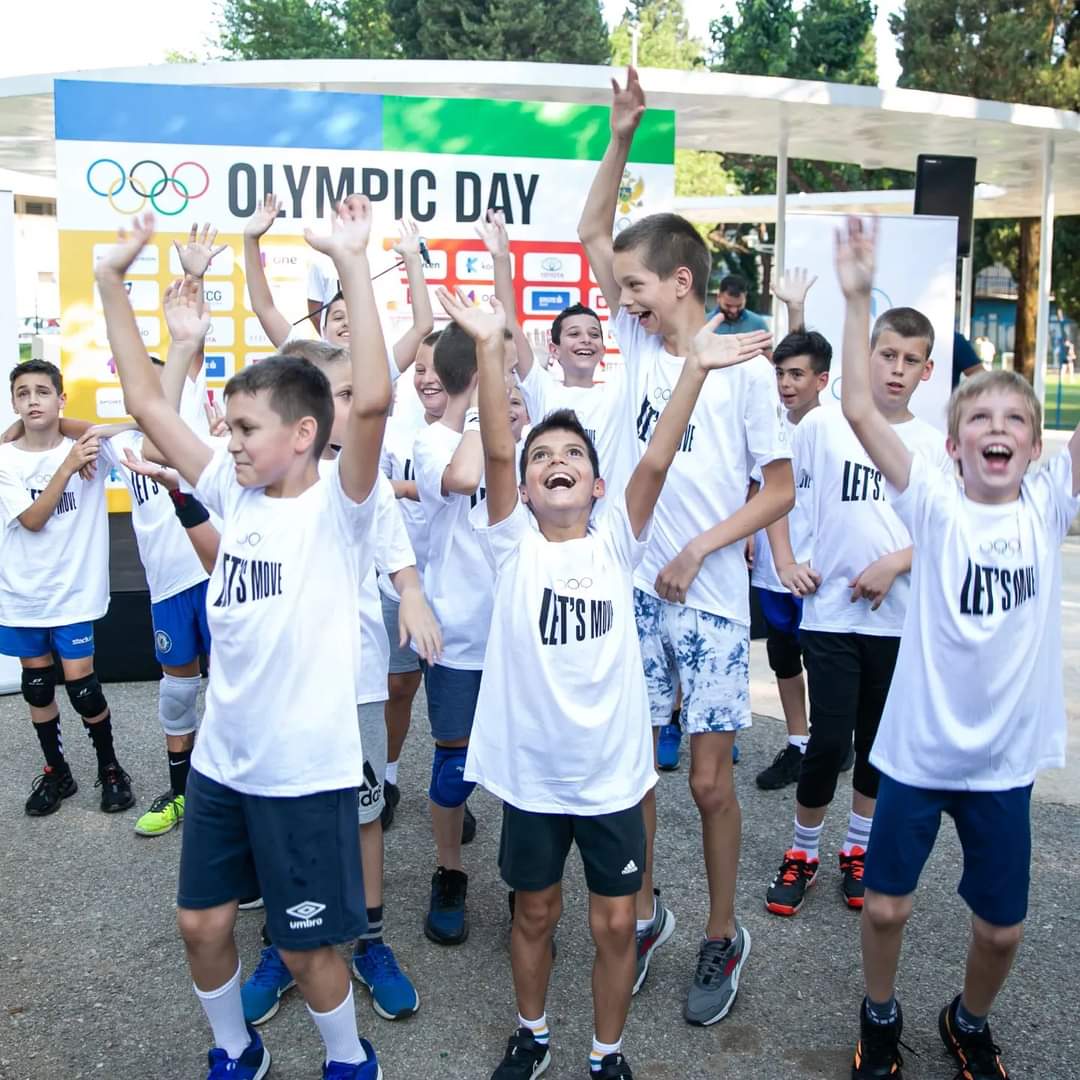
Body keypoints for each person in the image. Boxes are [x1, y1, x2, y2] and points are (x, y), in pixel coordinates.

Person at [440, 280, 772, 1080]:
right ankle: (533, 1033)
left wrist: (694, 367)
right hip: (534, 777)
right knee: (535, 913)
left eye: (574, 456)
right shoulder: (511, 542)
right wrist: (490, 348)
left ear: (596, 484)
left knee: (617, 925)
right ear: (524, 488)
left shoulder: (617, 540)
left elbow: (656, 455)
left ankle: (605, 1051)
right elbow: (493, 446)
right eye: (542, 457)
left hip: (612, 778)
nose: (557, 462)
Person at [96, 196, 390, 1080]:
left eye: (246, 428)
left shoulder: (342, 511)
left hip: (306, 773)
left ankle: (349, 1058)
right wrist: (115, 278)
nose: (229, 441)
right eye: (226, 427)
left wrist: (349, 262)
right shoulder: (232, 493)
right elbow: (147, 398)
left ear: (304, 435)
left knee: (309, 953)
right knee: (201, 924)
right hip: (226, 763)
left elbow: (371, 401)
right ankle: (237, 1050)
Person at [836, 216, 1080, 1080]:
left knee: (1002, 927)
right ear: (954, 444)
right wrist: (859, 294)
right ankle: (880, 1012)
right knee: (888, 907)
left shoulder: (1047, 506)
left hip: (1005, 762)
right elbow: (859, 406)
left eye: (1018, 416)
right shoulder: (934, 500)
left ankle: (967, 1019)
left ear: (1036, 445)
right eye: (983, 416)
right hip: (919, 752)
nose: (1001, 426)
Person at [578, 66, 790, 1024]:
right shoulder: (632, 347)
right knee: (638, 769)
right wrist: (619, 137)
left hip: (704, 598)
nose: (618, 297)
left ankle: (720, 932)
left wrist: (703, 547)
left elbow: (775, 491)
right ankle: (650, 911)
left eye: (634, 284)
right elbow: (592, 235)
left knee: (709, 780)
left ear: (682, 282)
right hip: (631, 588)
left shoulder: (747, 366)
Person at [239, 337, 433, 1028]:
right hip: (279, 695)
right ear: (306, 416)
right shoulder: (254, 489)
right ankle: (283, 944)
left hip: (353, 685)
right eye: (339, 394)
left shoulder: (365, 486)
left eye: (353, 394)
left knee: (364, 815)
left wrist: (411, 594)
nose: (348, 406)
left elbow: (398, 560)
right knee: (283, 822)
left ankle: (368, 942)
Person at [764, 293, 952, 919]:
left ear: (927, 371)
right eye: (887, 354)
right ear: (865, 357)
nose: (897, 368)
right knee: (828, 741)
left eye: (911, 359)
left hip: (899, 622)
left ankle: (856, 849)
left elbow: (946, 536)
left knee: (875, 745)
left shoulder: (931, 445)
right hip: (832, 616)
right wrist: (786, 561)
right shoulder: (823, 426)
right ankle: (803, 851)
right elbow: (781, 493)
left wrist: (895, 564)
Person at [0, 360, 135, 817]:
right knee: (37, 688)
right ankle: (57, 773)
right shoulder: (4, 458)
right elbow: (33, 520)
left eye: (43, 391)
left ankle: (110, 769)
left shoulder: (89, 449)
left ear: (60, 399)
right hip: (22, 596)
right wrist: (66, 464)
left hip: (73, 595)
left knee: (84, 690)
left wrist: (79, 434)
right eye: (22, 393)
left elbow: (134, 427)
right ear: (14, 403)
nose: (32, 399)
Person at [411, 320, 493, 946]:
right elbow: (464, 480)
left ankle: (526, 873)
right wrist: (477, 415)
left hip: (523, 635)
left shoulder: (528, 432)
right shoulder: (433, 438)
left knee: (525, 763)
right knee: (452, 769)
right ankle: (450, 871)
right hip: (459, 632)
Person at [474, 209, 638, 498]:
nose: (585, 341)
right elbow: (509, 323)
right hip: (550, 522)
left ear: (603, 348)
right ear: (554, 349)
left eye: (593, 334)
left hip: (606, 526)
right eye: (574, 334)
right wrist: (501, 257)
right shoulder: (542, 388)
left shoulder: (620, 390)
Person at [750, 325, 832, 790]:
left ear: (821, 380)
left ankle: (829, 742)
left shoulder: (836, 428)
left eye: (797, 374)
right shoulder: (766, 422)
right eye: (780, 373)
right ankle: (798, 742)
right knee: (783, 658)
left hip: (818, 571)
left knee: (825, 663)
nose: (785, 383)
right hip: (771, 569)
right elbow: (755, 486)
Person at [378, 328, 447, 829]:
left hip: (454, 592)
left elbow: (466, 488)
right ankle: (386, 778)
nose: (427, 378)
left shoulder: (479, 426)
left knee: (450, 699)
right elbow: (375, 498)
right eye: (419, 368)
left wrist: (405, 487)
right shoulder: (395, 428)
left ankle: (450, 796)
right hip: (397, 585)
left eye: (437, 368)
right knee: (399, 685)